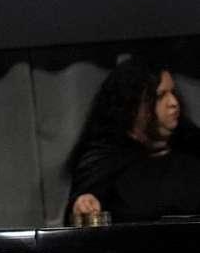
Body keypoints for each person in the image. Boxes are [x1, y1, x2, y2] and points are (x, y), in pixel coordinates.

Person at [67, 57, 200, 224]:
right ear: (132, 106)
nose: (174, 103)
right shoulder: (106, 162)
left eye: (173, 92)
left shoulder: (192, 152)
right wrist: (84, 206)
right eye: (160, 96)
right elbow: (82, 230)